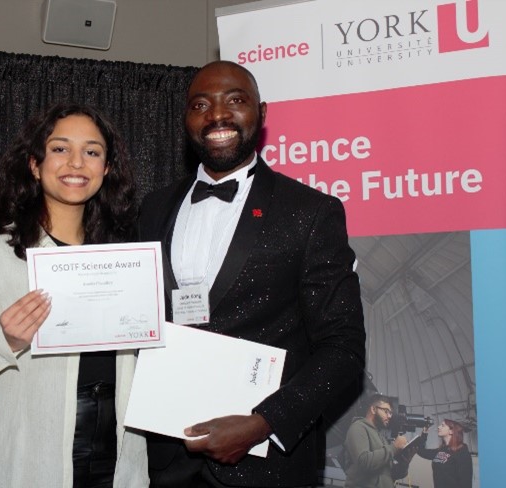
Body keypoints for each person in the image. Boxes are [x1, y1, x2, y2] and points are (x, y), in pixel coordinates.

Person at [138, 60, 366, 487]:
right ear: (186, 118)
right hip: (165, 462)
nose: (217, 116)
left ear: (261, 114)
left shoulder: (310, 212)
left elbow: (344, 348)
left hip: (265, 467)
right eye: (200, 104)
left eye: (235, 101)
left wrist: (264, 423)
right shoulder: (154, 208)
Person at [0, 104, 148, 488]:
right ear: (34, 163)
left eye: (92, 151)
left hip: (121, 463)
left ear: (107, 168)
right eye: (61, 149)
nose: (76, 163)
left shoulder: (127, 259)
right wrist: (4, 340)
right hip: (35, 462)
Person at [342, 394, 408, 488]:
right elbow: (363, 462)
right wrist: (394, 447)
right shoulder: (358, 427)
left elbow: (391, 474)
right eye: (386, 411)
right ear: (373, 409)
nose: (389, 416)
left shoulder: (382, 438)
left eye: (391, 413)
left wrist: (405, 462)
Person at [417, 419, 473, 488]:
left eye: (442, 425)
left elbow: (466, 482)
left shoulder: (462, 452)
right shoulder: (440, 451)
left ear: (451, 431)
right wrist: (424, 432)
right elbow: (421, 451)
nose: (438, 427)